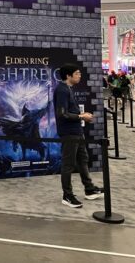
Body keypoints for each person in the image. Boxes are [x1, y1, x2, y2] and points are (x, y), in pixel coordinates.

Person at [53, 64, 103, 208]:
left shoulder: (68, 89)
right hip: (69, 132)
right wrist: (82, 116)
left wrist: (81, 116)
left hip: (76, 131)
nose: (80, 75)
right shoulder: (62, 90)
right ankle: (67, 195)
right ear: (68, 76)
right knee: (68, 164)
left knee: (83, 159)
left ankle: (89, 189)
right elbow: (62, 114)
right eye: (77, 73)